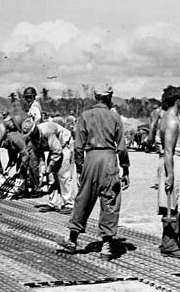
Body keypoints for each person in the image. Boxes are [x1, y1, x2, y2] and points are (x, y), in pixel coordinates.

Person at [58, 84, 130, 261]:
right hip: (109, 159)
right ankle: (106, 246)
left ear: (95, 97)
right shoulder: (115, 117)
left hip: (91, 158)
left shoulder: (85, 116)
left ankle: (73, 239)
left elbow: (78, 147)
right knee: (110, 200)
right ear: (110, 97)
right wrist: (126, 169)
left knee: (83, 199)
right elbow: (121, 147)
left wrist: (81, 169)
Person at [158, 86, 180, 258]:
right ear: (178, 100)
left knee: (174, 200)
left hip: (176, 161)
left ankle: (173, 240)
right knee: (172, 201)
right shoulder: (171, 120)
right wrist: (170, 174)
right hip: (174, 161)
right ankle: (169, 244)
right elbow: (168, 149)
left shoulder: (169, 118)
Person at [24, 119, 77, 214]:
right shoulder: (33, 136)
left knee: (62, 175)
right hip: (55, 149)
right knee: (51, 176)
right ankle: (53, 202)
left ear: (35, 128)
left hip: (64, 145)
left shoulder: (47, 131)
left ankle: (69, 204)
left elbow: (57, 151)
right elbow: (38, 154)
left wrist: (51, 165)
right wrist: (43, 167)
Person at [23, 86, 44, 193]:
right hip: (33, 137)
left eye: (29, 97)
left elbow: (38, 117)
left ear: (32, 97)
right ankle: (32, 186)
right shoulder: (33, 106)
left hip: (34, 138)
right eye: (26, 97)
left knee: (33, 163)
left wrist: (33, 129)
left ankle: (36, 188)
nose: (27, 99)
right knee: (31, 163)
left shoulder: (35, 106)